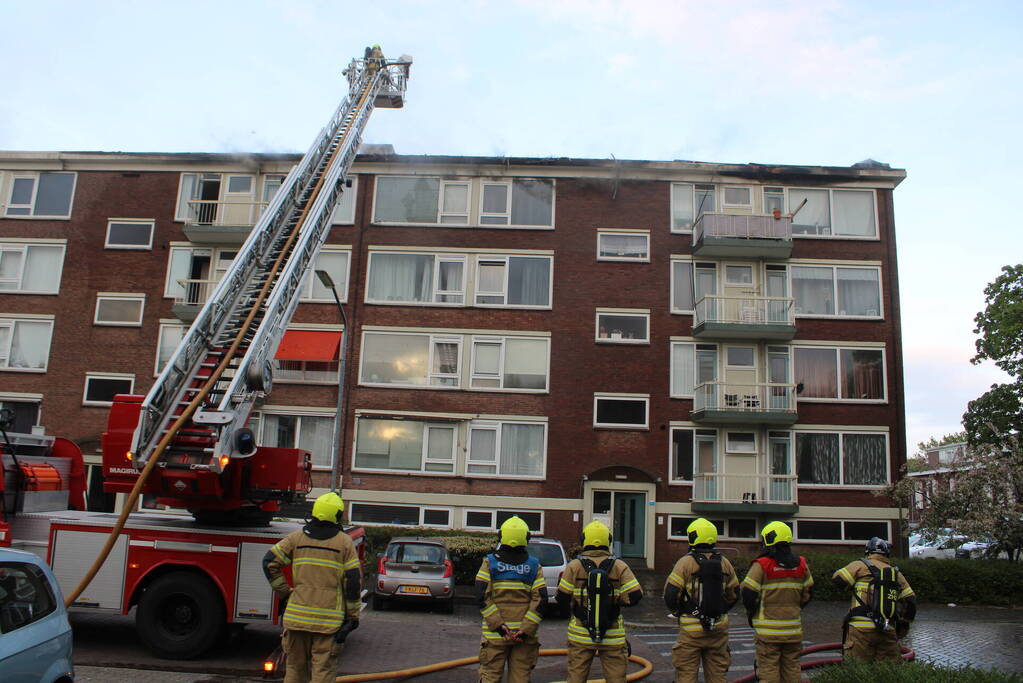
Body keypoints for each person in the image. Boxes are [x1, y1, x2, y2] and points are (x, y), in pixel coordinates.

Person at [263, 492, 362, 683]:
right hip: (328, 623)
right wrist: (352, 616)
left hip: (296, 619)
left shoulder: (296, 539)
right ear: (337, 515)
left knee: (294, 669)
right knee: (323, 672)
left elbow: (269, 563)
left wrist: (285, 593)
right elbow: (352, 582)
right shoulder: (344, 543)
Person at [556, 520, 643, 683]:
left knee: (576, 678)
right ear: (608, 541)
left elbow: (562, 597)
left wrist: (575, 607)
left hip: (580, 634)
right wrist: (617, 600)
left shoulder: (574, 566)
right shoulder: (619, 566)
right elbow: (635, 595)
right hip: (612, 635)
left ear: (584, 540)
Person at [663, 518, 739, 683]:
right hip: (718, 631)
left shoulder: (685, 563)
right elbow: (734, 594)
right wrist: (720, 610)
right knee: (718, 677)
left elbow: (670, 594)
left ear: (692, 537)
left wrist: (679, 612)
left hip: (691, 632)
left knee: (686, 676)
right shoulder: (725, 563)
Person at [475, 516, 548, 683]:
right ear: (526, 538)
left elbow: (481, 595)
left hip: (495, 635)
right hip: (524, 638)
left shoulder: (489, 562)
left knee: (490, 677)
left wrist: (499, 626)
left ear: (501, 536)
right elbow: (541, 600)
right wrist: (525, 630)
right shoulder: (534, 565)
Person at [741, 521, 813, 683]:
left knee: (768, 670)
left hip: (768, 633)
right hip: (793, 630)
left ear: (768, 539)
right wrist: (794, 609)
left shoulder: (763, 564)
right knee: (792, 669)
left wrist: (752, 613)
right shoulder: (801, 564)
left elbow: (748, 593)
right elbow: (808, 593)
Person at [833, 536, 916, 662]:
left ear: (868, 552)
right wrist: (902, 628)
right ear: (887, 554)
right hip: (887, 629)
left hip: (860, 629)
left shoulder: (859, 566)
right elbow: (911, 602)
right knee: (888, 670)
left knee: (857, 670)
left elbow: (838, 580)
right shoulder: (895, 574)